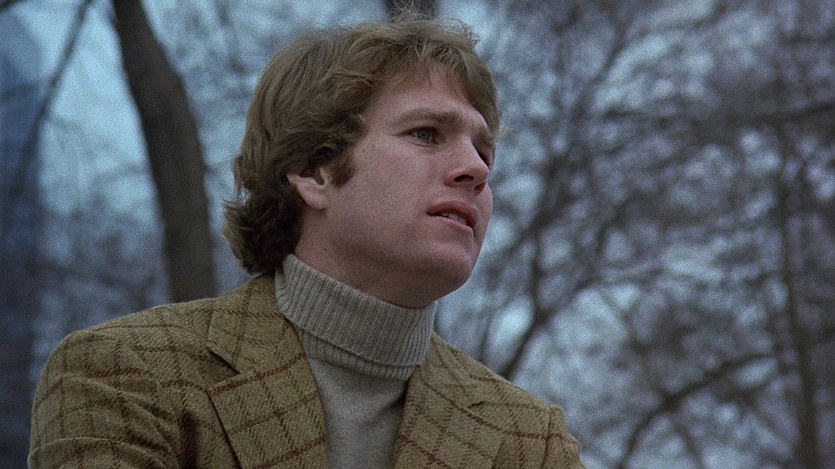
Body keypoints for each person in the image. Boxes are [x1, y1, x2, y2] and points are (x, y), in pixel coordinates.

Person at [29, 15, 584, 469]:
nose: (475, 169)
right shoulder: (127, 374)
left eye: (484, 151)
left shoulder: (530, 442)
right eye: (425, 134)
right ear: (314, 170)